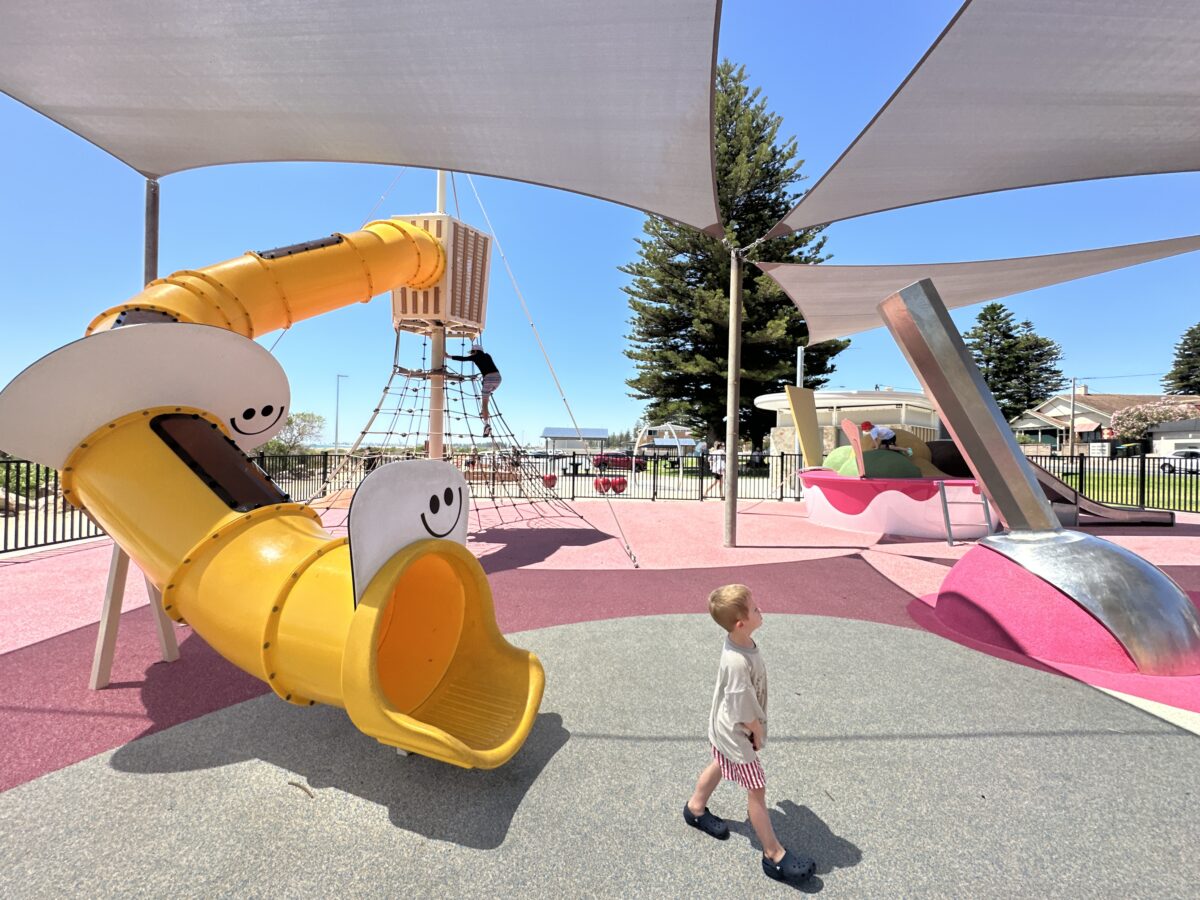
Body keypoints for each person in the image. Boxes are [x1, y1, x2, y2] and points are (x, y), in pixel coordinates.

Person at [683, 584, 815, 885]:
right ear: (741, 623)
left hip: (725, 727)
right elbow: (744, 708)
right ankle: (773, 854)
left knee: (719, 762)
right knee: (756, 789)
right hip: (737, 733)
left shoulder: (739, 642)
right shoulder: (737, 661)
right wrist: (756, 731)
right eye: (755, 608)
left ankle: (695, 808)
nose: (761, 609)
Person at [448, 341, 501, 437]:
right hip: (498, 378)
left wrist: (448, 356)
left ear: (475, 351)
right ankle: (484, 411)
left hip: (488, 379)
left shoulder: (475, 356)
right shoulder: (488, 355)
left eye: (472, 352)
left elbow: (463, 359)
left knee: (484, 403)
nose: (471, 354)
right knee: (486, 396)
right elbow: (487, 365)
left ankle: (486, 424)